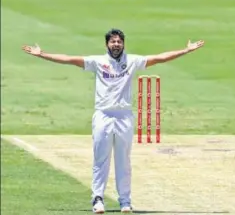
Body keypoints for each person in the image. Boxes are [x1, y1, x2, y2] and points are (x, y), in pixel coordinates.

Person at [22, 28, 205, 213]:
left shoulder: (132, 61)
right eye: (113, 42)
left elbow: (159, 58)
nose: (116, 45)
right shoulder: (98, 62)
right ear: (107, 44)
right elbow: (70, 59)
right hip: (103, 115)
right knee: (101, 159)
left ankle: (125, 201)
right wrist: (42, 54)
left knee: (123, 160)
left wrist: (186, 50)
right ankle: (97, 199)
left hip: (124, 116)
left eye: (119, 42)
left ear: (123, 43)